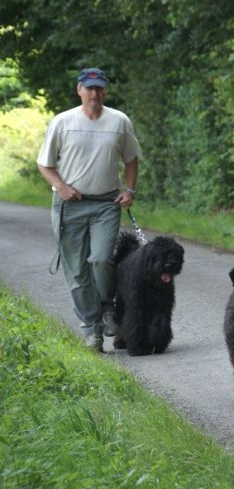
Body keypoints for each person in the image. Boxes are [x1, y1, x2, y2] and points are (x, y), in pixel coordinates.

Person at [37, 67, 141, 353]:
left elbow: (131, 159)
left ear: (105, 91)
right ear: (79, 90)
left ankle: (107, 307)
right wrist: (61, 186)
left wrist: (129, 190)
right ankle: (91, 328)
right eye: (89, 88)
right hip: (69, 205)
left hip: (106, 204)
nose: (95, 93)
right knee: (77, 271)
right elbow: (45, 164)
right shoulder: (62, 122)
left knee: (102, 258)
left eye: (99, 88)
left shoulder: (119, 121)